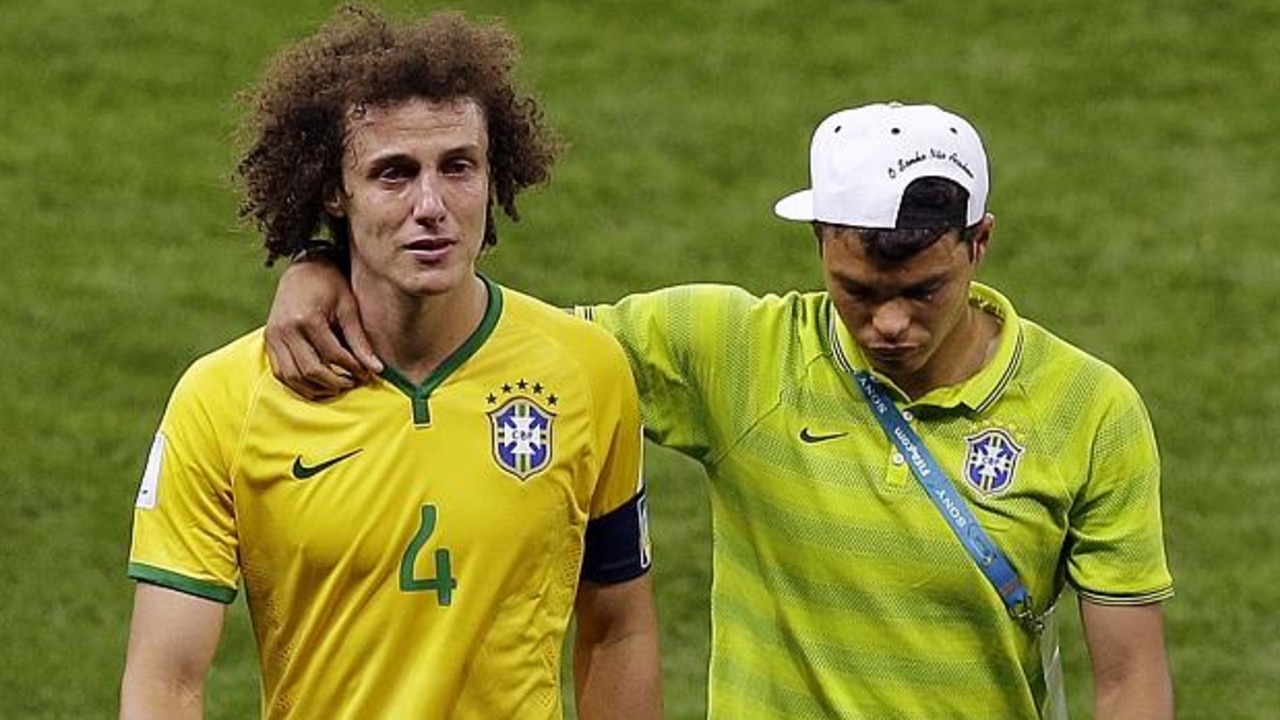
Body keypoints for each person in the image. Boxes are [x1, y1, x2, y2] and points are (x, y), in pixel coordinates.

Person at [265, 101, 1175, 719]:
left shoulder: (1090, 411)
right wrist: (327, 260)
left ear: (981, 242)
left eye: (925, 290)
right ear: (818, 240)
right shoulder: (732, 353)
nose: (890, 323)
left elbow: (1130, 676)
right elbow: (494, 339)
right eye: (858, 289)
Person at [119, 7, 662, 719]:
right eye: (394, 174)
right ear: (333, 192)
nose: (432, 205)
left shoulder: (585, 371)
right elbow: (166, 680)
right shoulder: (225, 398)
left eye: (458, 167)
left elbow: (619, 627)